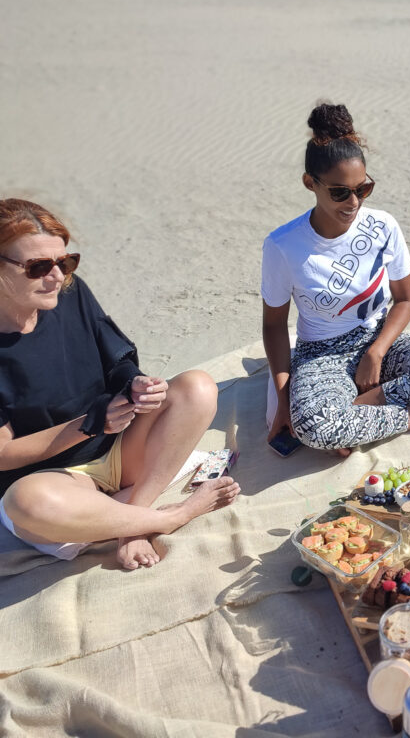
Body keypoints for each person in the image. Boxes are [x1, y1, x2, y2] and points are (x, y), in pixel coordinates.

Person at [0, 199, 239, 570]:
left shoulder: (69, 292)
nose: (57, 277)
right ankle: (169, 518)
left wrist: (137, 386)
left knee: (198, 388)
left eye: (65, 262)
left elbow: (118, 361)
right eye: (38, 267)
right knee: (24, 504)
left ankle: (131, 523)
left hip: (120, 448)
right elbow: (3, 454)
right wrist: (91, 424)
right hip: (52, 481)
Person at [261, 103, 410, 457]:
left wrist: (377, 351)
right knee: (313, 426)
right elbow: (274, 326)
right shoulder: (283, 246)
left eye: (363, 189)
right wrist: (283, 400)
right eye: (339, 192)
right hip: (322, 355)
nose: (353, 202)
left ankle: (368, 406)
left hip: (380, 343)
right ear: (310, 183)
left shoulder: (382, 225)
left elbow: (406, 298)